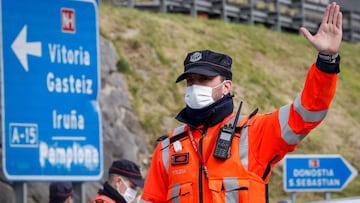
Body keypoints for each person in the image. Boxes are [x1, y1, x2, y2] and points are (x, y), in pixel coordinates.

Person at [140, 2, 342, 203]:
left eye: (203, 80)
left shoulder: (254, 134)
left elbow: (307, 111)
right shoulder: (168, 148)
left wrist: (326, 60)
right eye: (190, 81)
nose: (195, 87)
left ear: (226, 86)